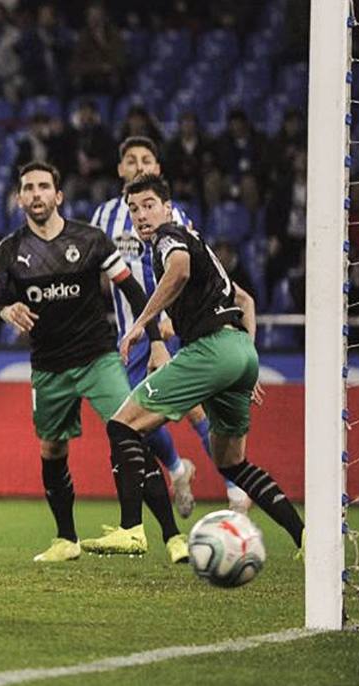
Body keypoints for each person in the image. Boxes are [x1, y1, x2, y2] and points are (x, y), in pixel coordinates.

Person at [0, 162, 185, 563]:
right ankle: (65, 539)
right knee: (52, 449)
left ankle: (173, 537)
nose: (36, 194)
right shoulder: (9, 250)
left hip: (97, 358)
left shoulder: (89, 240)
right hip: (49, 367)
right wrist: (6, 311)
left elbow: (133, 289)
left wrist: (156, 340)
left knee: (133, 432)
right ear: (20, 198)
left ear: (58, 196)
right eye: (28, 188)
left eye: (43, 187)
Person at [101, 174, 305, 555]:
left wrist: (140, 324)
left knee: (121, 425)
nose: (142, 215)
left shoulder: (169, 237)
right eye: (133, 209)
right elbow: (245, 301)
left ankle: (131, 530)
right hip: (239, 352)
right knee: (231, 462)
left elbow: (178, 270)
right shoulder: (200, 243)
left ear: (167, 207)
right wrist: (247, 356)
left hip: (210, 350)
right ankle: (304, 536)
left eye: (148, 205)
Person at [90, 136, 251, 517]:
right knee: (136, 418)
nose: (139, 166)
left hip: (167, 328)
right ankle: (179, 469)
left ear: (158, 169)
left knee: (194, 410)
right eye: (131, 160)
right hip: (128, 331)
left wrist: (161, 326)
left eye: (146, 159)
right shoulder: (104, 217)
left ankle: (235, 489)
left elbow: (185, 268)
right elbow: (98, 273)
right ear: (119, 169)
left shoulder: (172, 215)